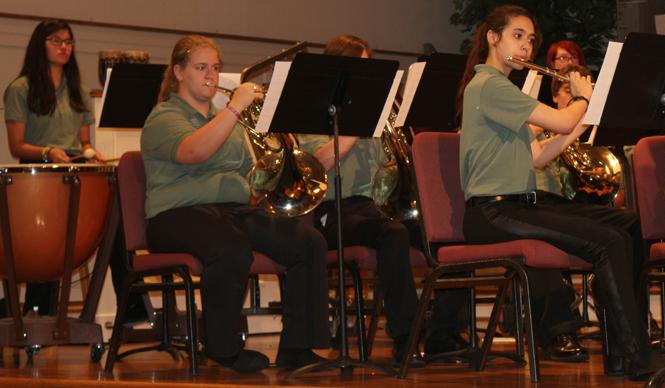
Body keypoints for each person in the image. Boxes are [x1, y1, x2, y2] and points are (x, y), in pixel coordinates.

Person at [457, 5, 658, 378]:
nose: (526, 46)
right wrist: (582, 98)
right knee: (607, 241)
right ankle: (634, 354)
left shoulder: (502, 91)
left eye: (531, 39)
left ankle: (620, 351)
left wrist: (580, 115)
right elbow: (561, 118)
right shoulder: (489, 84)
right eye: (517, 36)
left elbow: (538, 157)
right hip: (492, 212)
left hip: (519, 206)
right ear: (492, 37)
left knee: (628, 224)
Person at [140, 35, 329, 372]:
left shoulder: (228, 120)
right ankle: (223, 349)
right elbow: (193, 151)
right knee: (230, 246)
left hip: (231, 211)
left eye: (215, 68)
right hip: (174, 215)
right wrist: (234, 108)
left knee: (308, 242)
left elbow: (252, 171)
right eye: (201, 68)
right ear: (179, 72)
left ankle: (297, 348)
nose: (210, 75)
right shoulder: (163, 117)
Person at [295, 34, 425, 367]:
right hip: (332, 210)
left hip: (375, 209)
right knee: (392, 234)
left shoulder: (374, 114)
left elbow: (392, 168)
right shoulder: (311, 110)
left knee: (436, 235)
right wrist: (354, 129)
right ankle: (405, 338)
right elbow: (315, 165)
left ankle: (444, 331)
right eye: (363, 68)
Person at [3, 19, 104, 317]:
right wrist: (48, 151)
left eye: (69, 42)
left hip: (73, 169)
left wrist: (90, 152)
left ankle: (132, 308)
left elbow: (83, 141)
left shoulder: (79, 90)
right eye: (57, 41)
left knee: (114, 219)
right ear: (40, 45)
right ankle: (38, 312)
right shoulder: (21, 89)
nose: (64, 47)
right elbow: (16, 145)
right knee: (43, 243)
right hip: (39, 173)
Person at [537, 40, 586, 109]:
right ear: (552, 64)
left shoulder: (587, 83)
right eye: (563, 58)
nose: (570, 62)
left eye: (574, 57)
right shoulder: (541, 84)